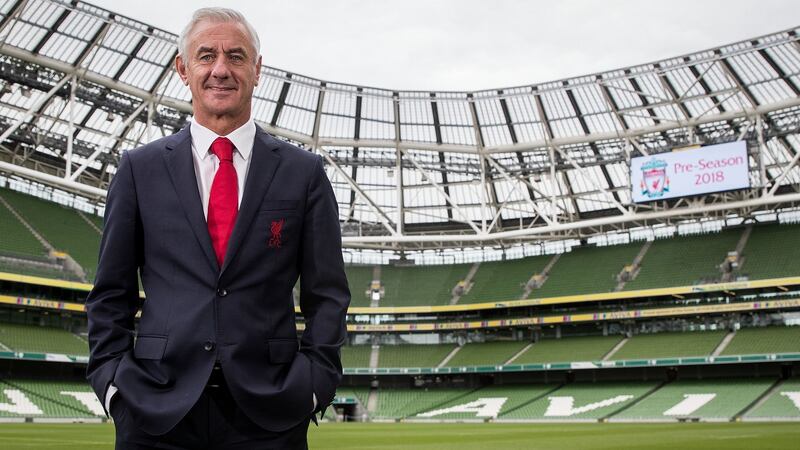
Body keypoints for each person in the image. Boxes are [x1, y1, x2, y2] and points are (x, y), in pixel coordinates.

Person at [85, 7, 350, 449]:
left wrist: (315, 384)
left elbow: (327, 295)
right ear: (183, 70)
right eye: (206, 56)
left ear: (258, 69)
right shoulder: (139, 169)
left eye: (237, 56)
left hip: (271, 415)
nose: (221, 70)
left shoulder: (304, 173)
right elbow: (110, 292)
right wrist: (114, 386)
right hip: (154, 410)